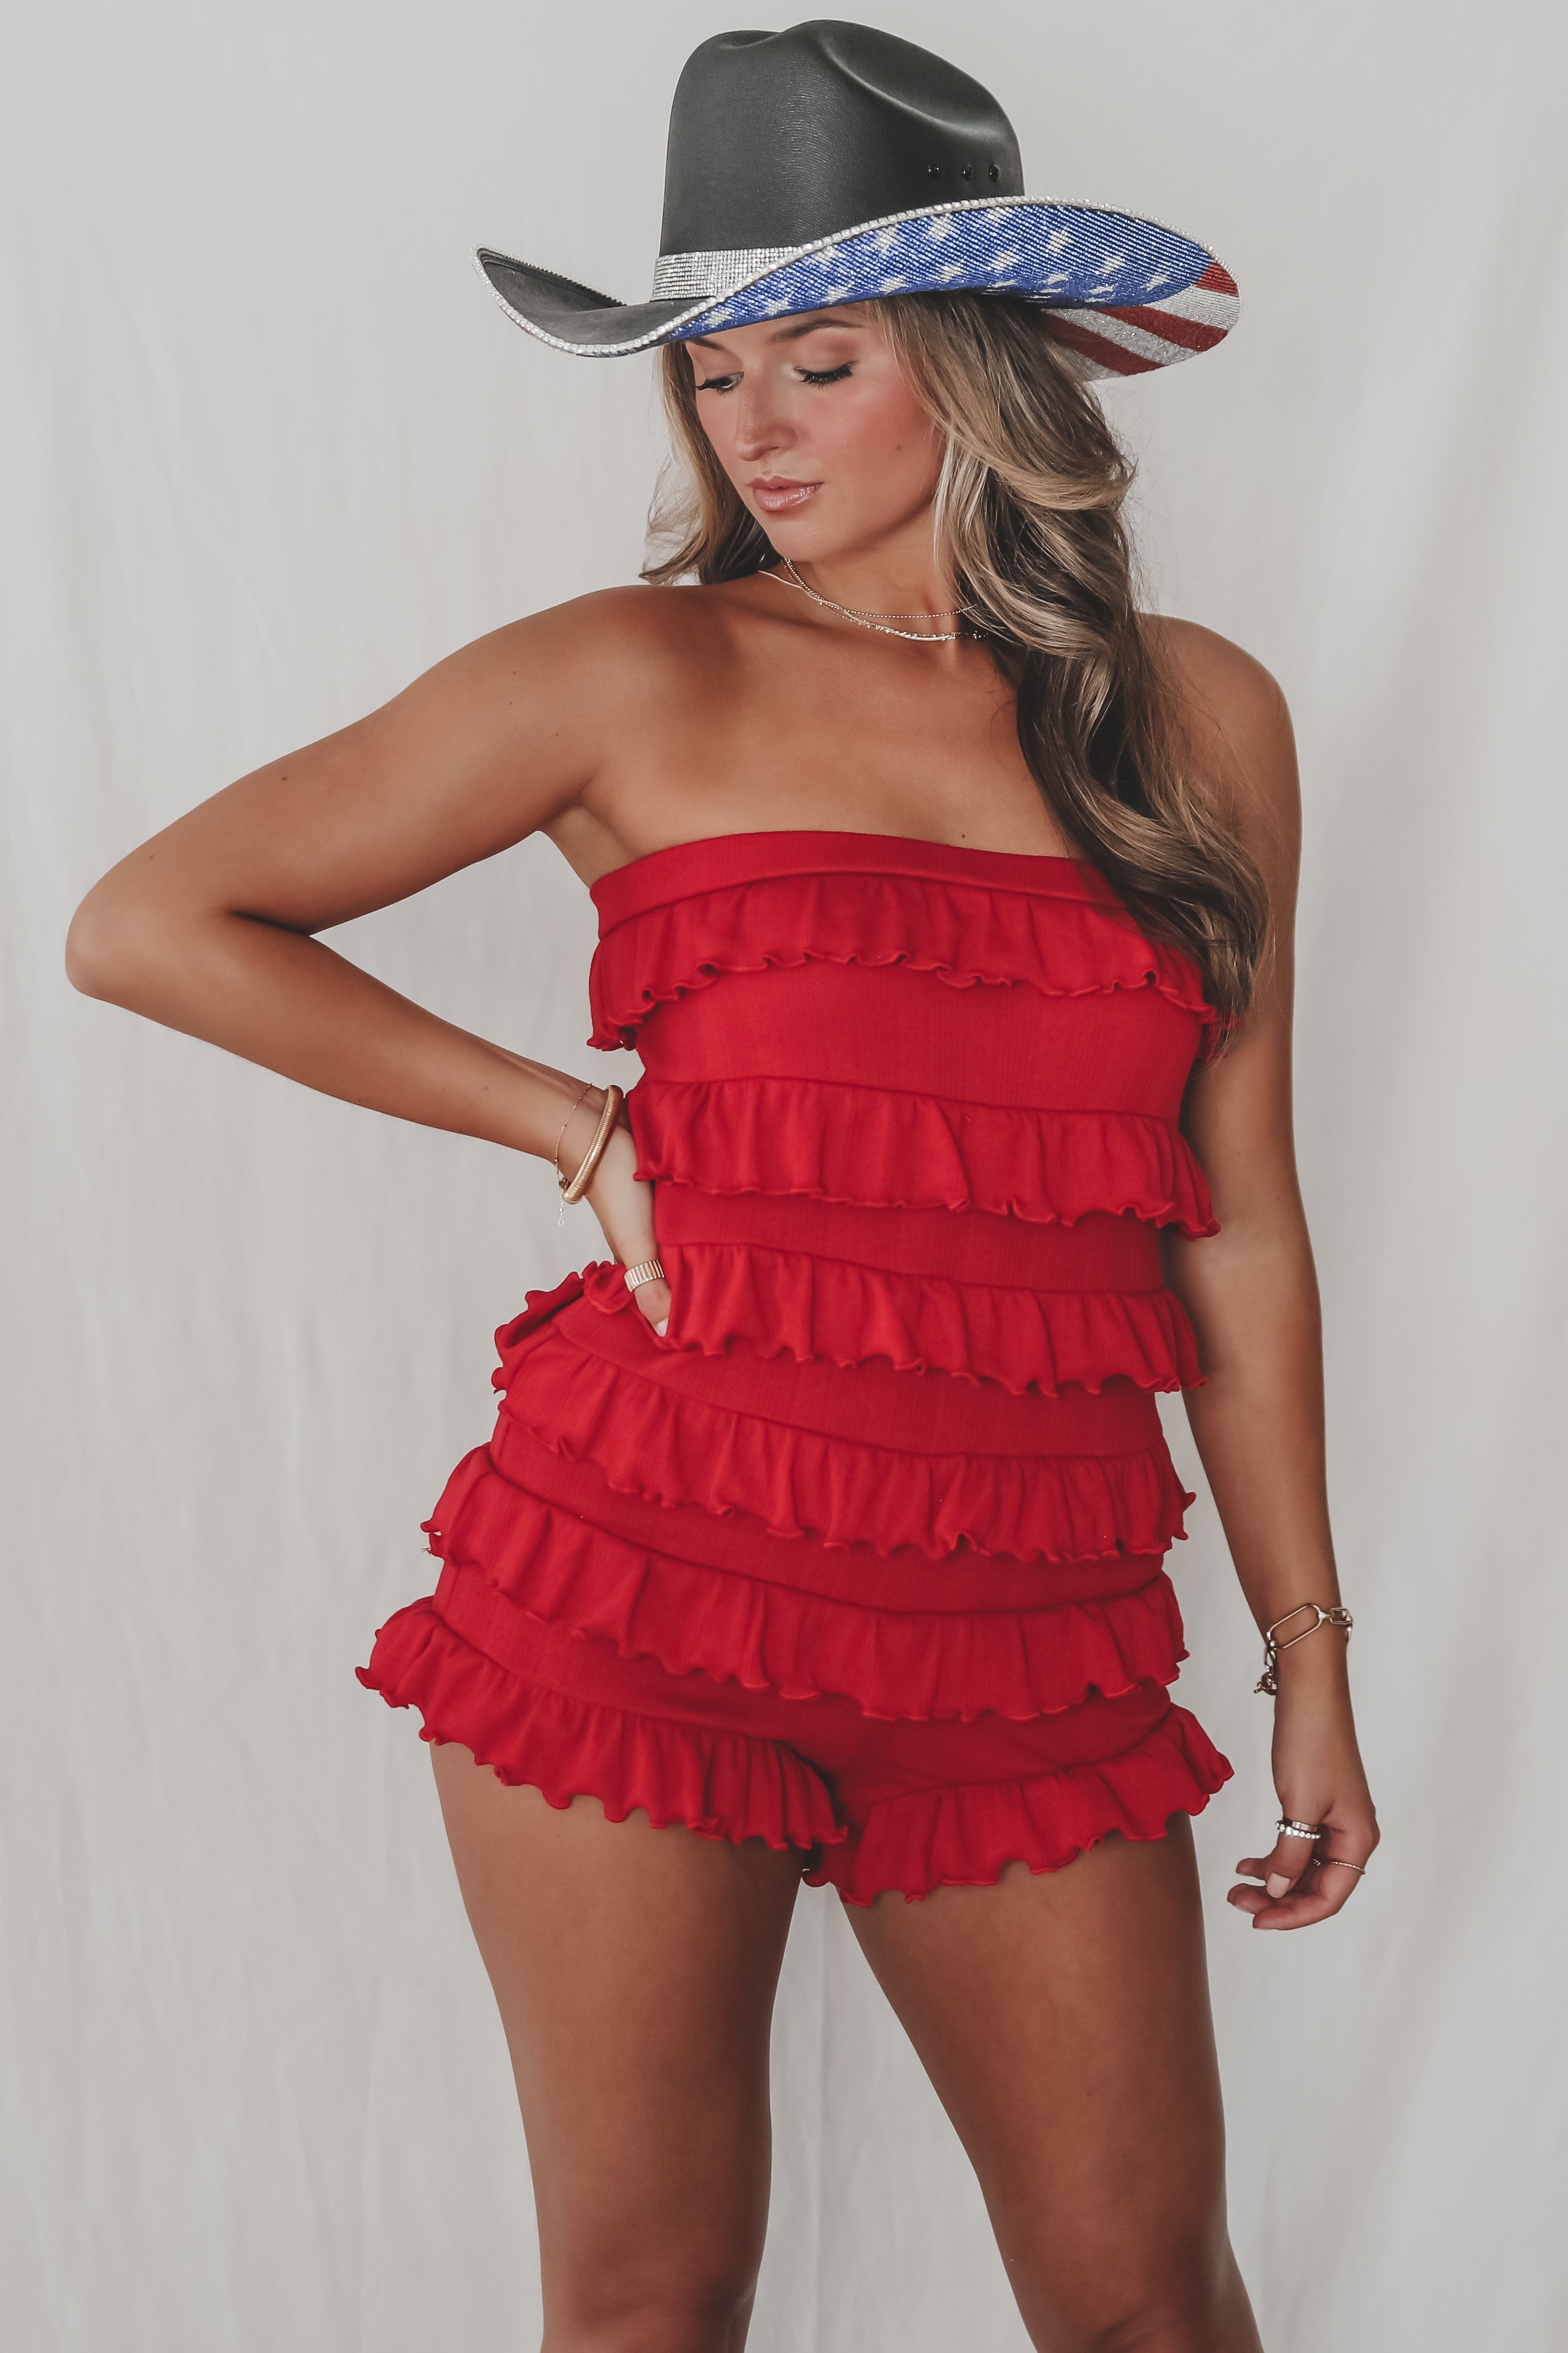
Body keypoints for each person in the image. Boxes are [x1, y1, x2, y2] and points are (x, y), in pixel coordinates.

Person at [67, 22, 1378, 2352]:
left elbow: (1243, 1225)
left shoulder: (1197, 716)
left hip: (1032, 1635)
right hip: (639, 1591)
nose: (748, 426)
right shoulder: (627, 675)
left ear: (977, 367)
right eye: (709, 372)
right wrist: (569, 1127)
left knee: (1149, 2306)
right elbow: (151, 922)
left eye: (817, 363)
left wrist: (1311, 1659)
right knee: (652, 2301)